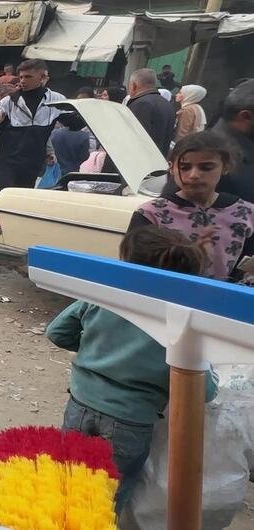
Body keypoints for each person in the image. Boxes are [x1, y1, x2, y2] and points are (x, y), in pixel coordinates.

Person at [48, 224, 218, 513]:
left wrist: (96, 351)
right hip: (131, 424)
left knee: (68, 481)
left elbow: (57, 332)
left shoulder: (105, 297)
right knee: (107, 498)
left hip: (79, 406)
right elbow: (204, 391)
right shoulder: (184, 320)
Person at [130, 130, 254, 282]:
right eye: (185, 167)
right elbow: (135, 270)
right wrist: (192, 256)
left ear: (225, 167)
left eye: (206, 167)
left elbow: (246, 270)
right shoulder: (150, 213)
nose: (194, 175)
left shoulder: (246, 213)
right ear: (171, 167)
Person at [0, 59, 83, 191]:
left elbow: (75, 124)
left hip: (33, 164)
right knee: (3, 200)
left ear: (42, 77)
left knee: (22, 203)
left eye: (28, 77)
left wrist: (87, 109)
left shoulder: (55, 100)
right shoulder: (8, 102)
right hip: (8, 163)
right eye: (21, 77)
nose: (23, 81)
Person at [126, 69, 176, 157]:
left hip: (139, 161)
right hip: (159, 159)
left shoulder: (142, 104)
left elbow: (133, 138)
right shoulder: (167, 104)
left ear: (134, 85)